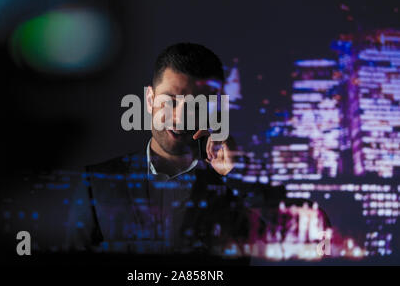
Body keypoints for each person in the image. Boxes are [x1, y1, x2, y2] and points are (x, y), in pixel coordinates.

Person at [65, 43, 263, 257]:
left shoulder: (233, 189)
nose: (179, 118)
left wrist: (236, 177)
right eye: (170, 101)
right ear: (150, 100)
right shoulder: (95, 182)